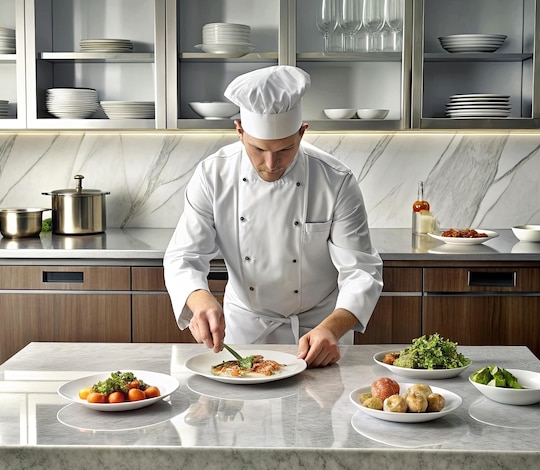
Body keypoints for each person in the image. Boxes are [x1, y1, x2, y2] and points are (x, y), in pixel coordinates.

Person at [164, 65, 383, 367]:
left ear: (302, 132)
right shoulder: (213, 175)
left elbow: (361, 270)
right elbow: (183, 257)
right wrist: (199, 299)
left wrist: (332, 328)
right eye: (258, 149)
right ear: (239, 130)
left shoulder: (336, 179)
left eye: (285, 149)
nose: (270, 163)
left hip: (320, 332)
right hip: (246, 330)